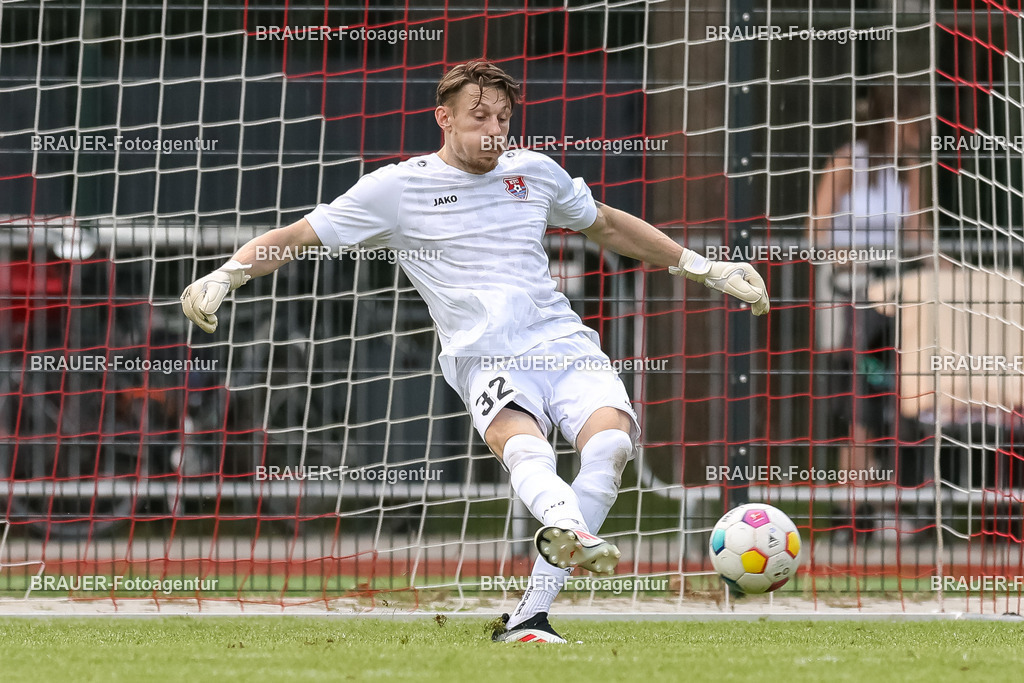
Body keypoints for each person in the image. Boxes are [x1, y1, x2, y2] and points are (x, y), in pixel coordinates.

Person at [180, 60, 769, 642]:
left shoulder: (534, 173)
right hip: (484, 355)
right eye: (479, 115)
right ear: (444, 118)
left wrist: (706, 267)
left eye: (503, 118)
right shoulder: (397, 188)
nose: (493, 129)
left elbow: (609, 225)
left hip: (560, 340)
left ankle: (529, 617)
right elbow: (298, 236)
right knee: (529, 452)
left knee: (612, 444)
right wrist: (226, 277)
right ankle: (564, 536)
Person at [809, 83, 928, 539]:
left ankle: (898, 507)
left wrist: (944, 263)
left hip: (896, 296)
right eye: (915, 119)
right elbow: (817, 227)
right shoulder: (848, 160)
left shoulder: (908, 169)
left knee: (900, 404)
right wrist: (846, 259)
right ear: (893, 119)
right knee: (858, 406)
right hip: (852, 296)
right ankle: (850, 509)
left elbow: (917, 231)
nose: (921, 131)